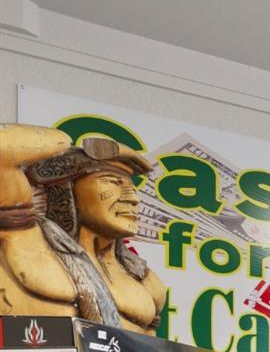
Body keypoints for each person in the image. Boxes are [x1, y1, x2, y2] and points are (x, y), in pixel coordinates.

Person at [0, 124, 167, 330]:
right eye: (112, 182)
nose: (133, 199)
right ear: (67, 189)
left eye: (131, 188)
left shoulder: (147, 282)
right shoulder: (24, 239)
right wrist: (66, 145)